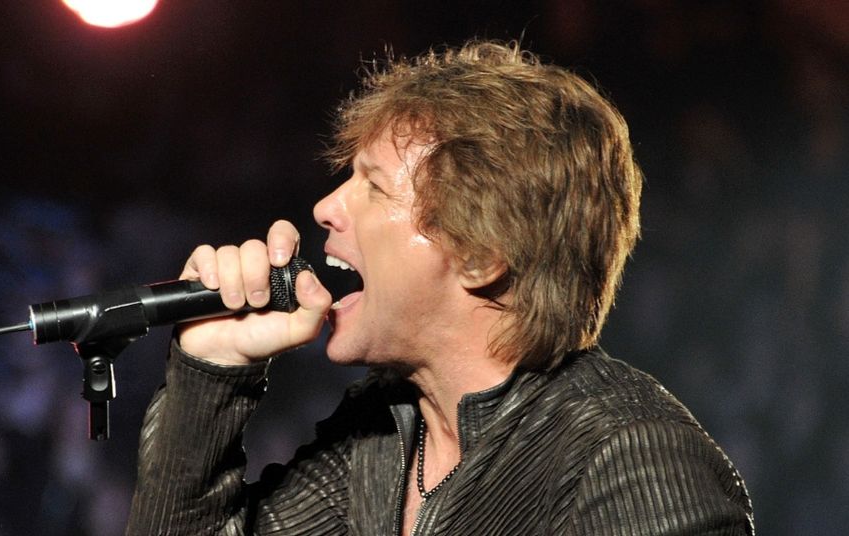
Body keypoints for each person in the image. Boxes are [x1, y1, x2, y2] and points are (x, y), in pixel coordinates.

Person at [126, 40, 754, 535]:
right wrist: (211, 369)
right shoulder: (379, 439)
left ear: (481, 255)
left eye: (374, 186)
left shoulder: (630, 459)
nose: (324, 207)